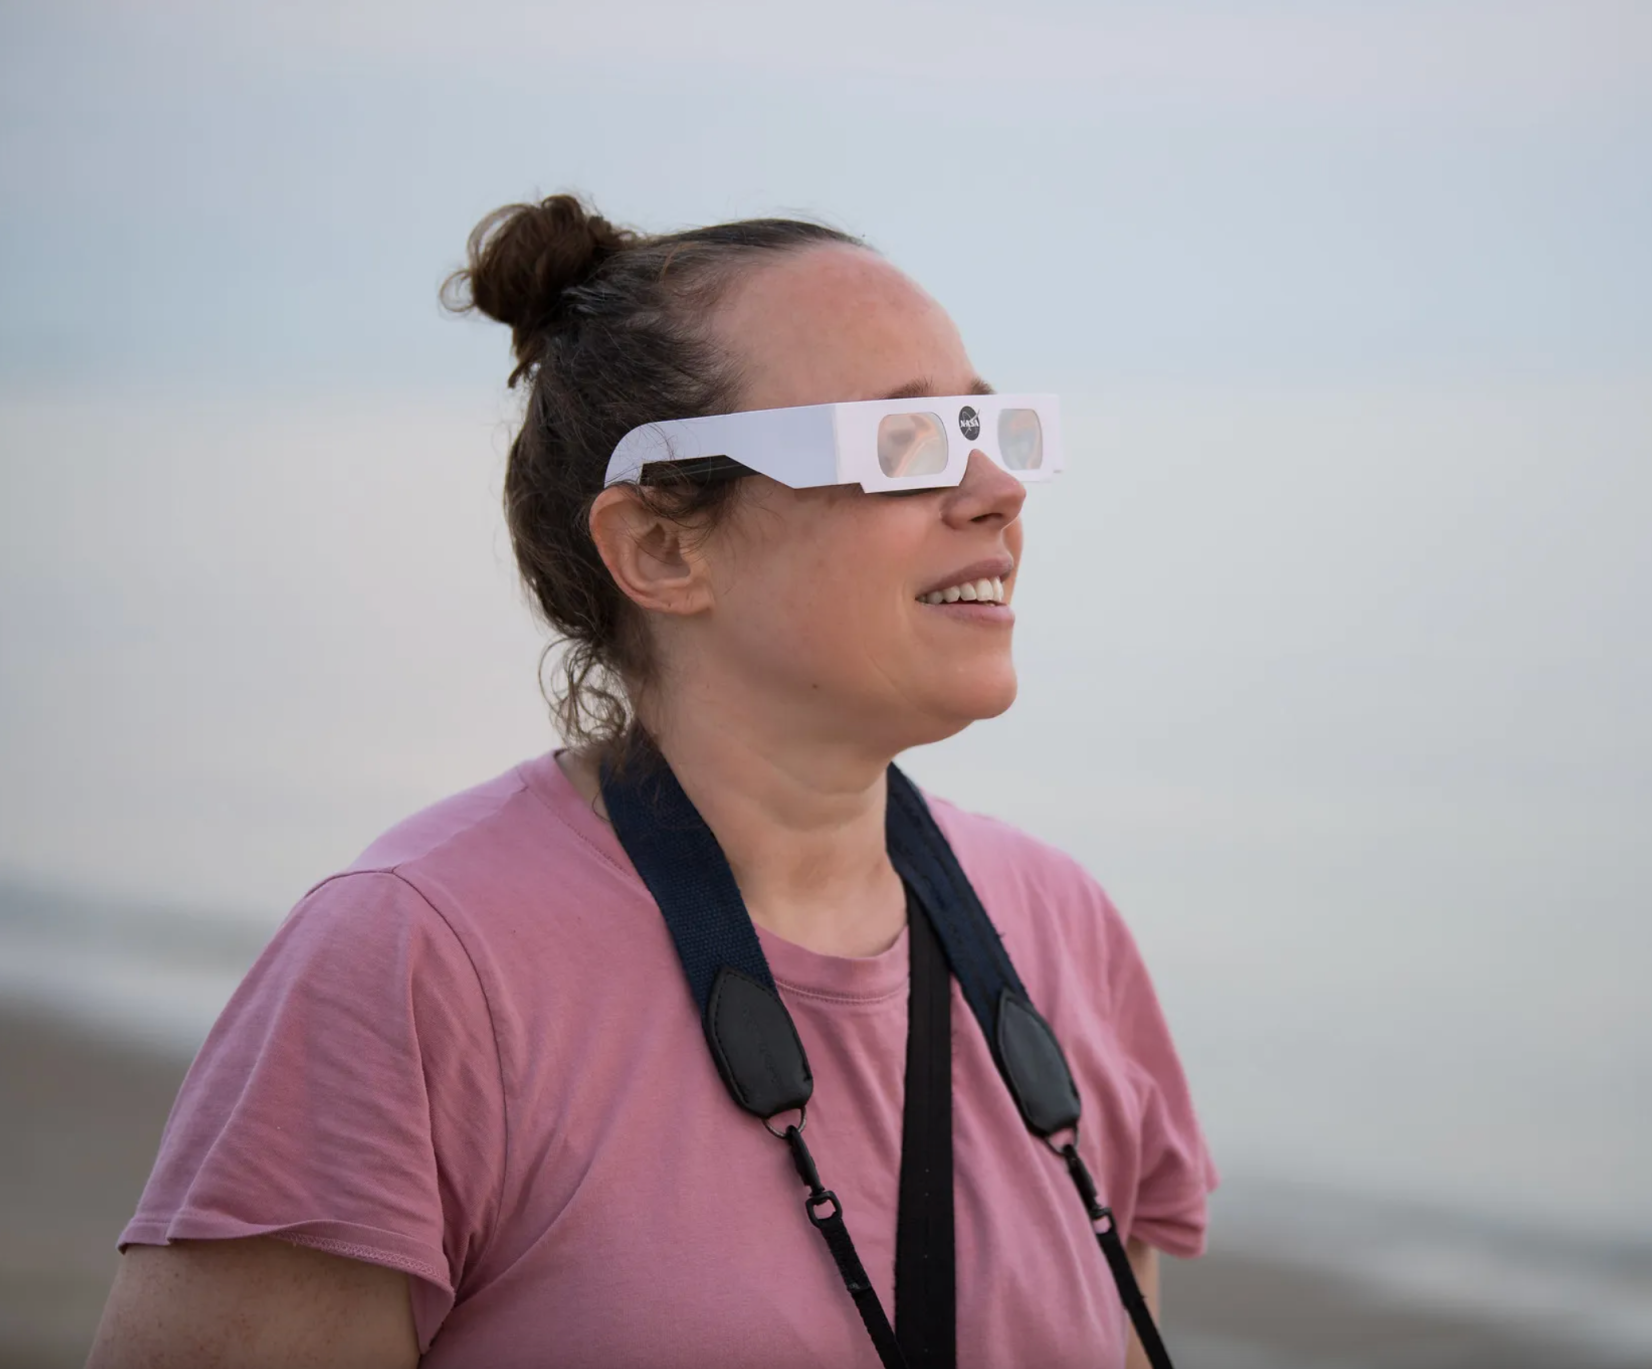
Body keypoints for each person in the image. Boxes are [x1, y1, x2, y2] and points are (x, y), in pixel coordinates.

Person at [85, 196, 1216, 1368]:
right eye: (902, 443)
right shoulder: (417, 962)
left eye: (989, 426)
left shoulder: (1060, 929)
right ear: (663, 549)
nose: (997, 489)